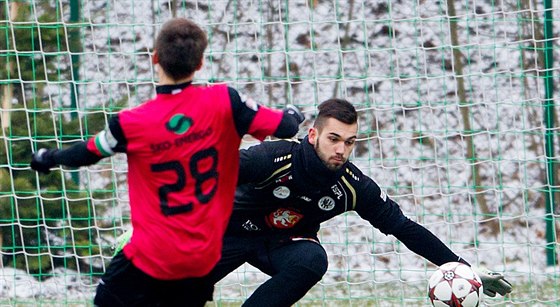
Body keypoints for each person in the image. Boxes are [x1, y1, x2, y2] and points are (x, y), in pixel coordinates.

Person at [30, 18, 304, 307]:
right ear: (199, 64)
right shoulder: (226, 101)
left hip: (149, 258)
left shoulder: (130, 123)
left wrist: (48, 158)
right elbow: (286, 127)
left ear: (155, 58)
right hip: (202, 261)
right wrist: (292, 113)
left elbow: (86, 153)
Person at [205, 98, 513, 306]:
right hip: (227, 233)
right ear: (313, 135)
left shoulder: (352, 186)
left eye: (349, 142)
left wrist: (462, 268)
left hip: (284, 243)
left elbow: (404, 228)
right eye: (334, 139)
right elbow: (204, 173)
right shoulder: (272, 158)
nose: (341, 149)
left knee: (312, 259)